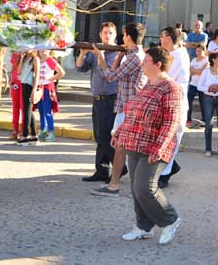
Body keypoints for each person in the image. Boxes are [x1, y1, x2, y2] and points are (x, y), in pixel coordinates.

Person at [115, 47, 182, 245]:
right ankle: (143, 227)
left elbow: (171, 122)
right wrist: (119, 132)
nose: (142, 64)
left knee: (145, 188)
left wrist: (159, 148)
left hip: (155, 147)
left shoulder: (170, 88)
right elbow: (133, 112)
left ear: (158, 64)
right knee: (136, 189)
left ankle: (171, 219)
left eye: (146, 61)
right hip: (135, 143)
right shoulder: (148, 85)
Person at [91, 22, 147, 197]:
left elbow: (110, 76)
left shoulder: (134, 57)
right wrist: (118, 56)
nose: (122, 38)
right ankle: (116, 184)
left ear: (128, 36)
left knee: (124, 148)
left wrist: (100, 57)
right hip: (125, 106)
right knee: (121, 146)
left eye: (123, 35)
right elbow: (115, 70)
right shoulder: (130, 54)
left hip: (130, 108)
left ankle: (117, 185)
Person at [76, 22, 119, 183]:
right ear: (100, 34)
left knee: (105, 136)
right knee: (99, 136)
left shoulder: (116, 53)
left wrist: (100, 56)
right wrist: (83, 53)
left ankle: (119, 167)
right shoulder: (96, 51)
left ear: (115, 36)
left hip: (110, 99)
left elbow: (109, 72)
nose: (108, 36)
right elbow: (80, 68)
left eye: (111, 33)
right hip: (97, 98)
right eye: (105, 33)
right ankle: (101, 170)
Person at [159, 26, 190, 187]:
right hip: (167, 102)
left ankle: (164, 175)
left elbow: (174, 82)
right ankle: (171, 167)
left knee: (172, 140)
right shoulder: (172, 55)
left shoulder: (178, 57)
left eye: (162, 37)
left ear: (168, 39)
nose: (160, 40)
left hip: (175, 104)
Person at [198, 51, 218, 157]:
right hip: (208, 98)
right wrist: (209, 88)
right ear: (213, 60)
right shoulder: (206, 71)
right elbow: (199, 86)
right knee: (209, 124)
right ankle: (208, 148)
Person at [34, 50, 65, 141]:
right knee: (41, 110)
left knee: (47, 111)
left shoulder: (50, 60)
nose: (43, 50)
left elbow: (61, 72)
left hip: (47, 88)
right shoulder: (38, 60)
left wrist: (50, 79)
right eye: (41, 48)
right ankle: (43, 131)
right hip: (39, 88)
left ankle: (51, 132)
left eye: (46, 48)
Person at [16, 51, 39, 145]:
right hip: (24, 84)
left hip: (30, 85)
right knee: (28, 110)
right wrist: (21, 58)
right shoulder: (25, 58)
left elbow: (37, 76)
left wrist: (34, 89)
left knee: (26, 110)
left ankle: (25, 135)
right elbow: (18, 71)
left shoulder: (35, 59)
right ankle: (34, 136)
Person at [187, 44, 208, 127]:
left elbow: (203, 72)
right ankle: (188, 118)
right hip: (193, 84)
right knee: (188, 100)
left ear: (204, 51)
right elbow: (190, 71)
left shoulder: (206, 61)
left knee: (203, 102)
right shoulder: (193, 60)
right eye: (197, 51)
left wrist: (195, 71)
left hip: (202, 85)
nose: (198, 53)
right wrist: (198, 71)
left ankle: (204, 119)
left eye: (200, 51)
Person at [8, 51, 23, 140]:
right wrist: (10, 80)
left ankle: (22, 131)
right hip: (15, 82)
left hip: (24, 82)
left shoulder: (28, 55)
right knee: (15, 107)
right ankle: (15, 130)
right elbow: (13, 68)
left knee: (23, 107)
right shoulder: (15, 54)